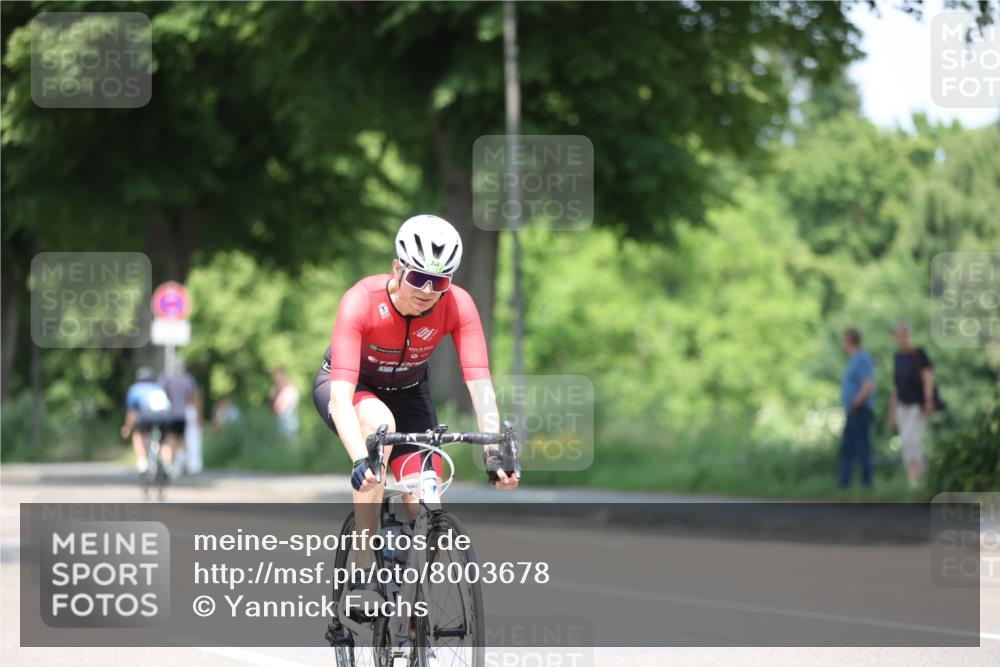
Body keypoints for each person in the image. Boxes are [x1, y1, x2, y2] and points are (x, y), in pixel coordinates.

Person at [311, 215, 519, 573]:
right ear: (396, 268)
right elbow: (340, 398)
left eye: (438, 282)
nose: (426, 291)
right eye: (418, 278)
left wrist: (493, 453)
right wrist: (360, 460)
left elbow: (480, 384)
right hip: (351, 388)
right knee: (380, 425)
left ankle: (413, 613)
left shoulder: (458, 305)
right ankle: (362, 567)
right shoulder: (361, 301)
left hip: (409, 392)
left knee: (427, 504)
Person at [887, 321, 936, 489]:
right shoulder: (897, 357)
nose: (901, 339)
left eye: (903, 335)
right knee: (906, 442)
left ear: (908, 335)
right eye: (898, 336)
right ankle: (913, 482)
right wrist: (891, 412)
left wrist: (929, 401)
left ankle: (922, 475)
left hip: (918, 404)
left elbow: (928, 377)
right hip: (902, 405)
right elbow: (896, 387)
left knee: (911, 440)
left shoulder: (919, 353)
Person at [838, 328, 876, 489]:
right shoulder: (854, 359)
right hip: (853, 410)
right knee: (847, 448)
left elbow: (868, 386)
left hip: (859, 410)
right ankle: (844, 483)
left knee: (861, 447)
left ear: (848, 340)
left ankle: (866, 484)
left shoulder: (861, 359)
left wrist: (855, 404)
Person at [121, 367, 172, 475]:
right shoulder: (159, 387)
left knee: (137, 434)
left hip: (146, 416)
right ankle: (167, 465)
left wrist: (127, 427)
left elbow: (132, 412)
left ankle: (142, 460)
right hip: (164, 416)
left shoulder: (135, 389)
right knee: (164, 441)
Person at [159, 359, 201, 477]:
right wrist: (198, 415)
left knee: (171, 439)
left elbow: (161, 394)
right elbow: (194, 397)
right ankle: (187, 461)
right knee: (180, 439)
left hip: (170, 414)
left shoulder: (166, 378)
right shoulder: (188, 379)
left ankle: (173, 464)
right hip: (183, 414)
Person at [270, 367, 301, 437]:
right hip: (276, 424)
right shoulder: (274, 390)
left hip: (290, 425)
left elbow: (279, 407)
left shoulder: (291, 391)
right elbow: (271, 408)